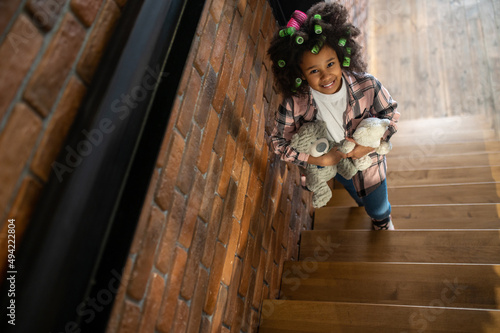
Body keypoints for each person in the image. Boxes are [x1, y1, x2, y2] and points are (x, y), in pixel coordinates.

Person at [268, 2, 400, 230]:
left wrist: (368, 147)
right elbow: (277, 142)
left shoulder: (367, 85)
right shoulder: (295, 104)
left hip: (370, 163)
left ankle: (381, 220)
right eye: (313, 71)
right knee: (353, 189)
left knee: (377, 207)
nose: (326, 75)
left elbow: (390, 114)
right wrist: (317, 160)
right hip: (335, 164)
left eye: (330, 64)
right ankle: (359, 199)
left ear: (340, 58)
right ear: (300, 74)